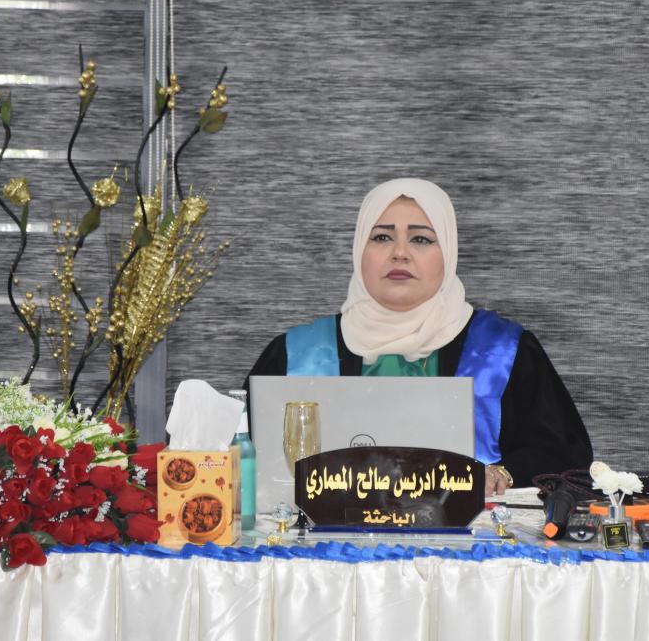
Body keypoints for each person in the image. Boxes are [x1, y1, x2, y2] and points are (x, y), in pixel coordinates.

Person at [245, 178, 592, 495]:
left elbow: (564, 458)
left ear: (449, 252)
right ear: (358, 249)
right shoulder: (295, 354)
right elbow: (239, 458)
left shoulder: (504, 352)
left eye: (421, 239)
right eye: (382, 237)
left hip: (473, 540)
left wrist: (503, 473)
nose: (399, 253)